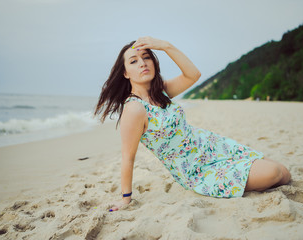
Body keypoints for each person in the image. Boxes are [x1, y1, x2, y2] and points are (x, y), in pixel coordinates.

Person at [94, 36, 291, 212]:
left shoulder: (160, 92)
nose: (142, 63)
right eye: (134, 61)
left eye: (146, 57)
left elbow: (193, 75)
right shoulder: (134, 109)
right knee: (274, 173)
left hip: (212, 146)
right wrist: (125, 199)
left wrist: (166, 46)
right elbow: (128, 158)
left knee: (285, 174)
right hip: (197, 170)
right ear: (126, 73)